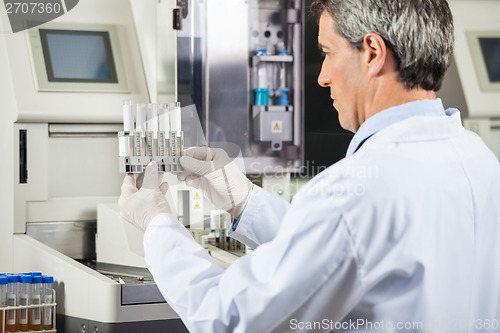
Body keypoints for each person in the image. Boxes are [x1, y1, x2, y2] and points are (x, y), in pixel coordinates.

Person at [119, 0, 500, 332]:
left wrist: (156, 224)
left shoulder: (356, 191)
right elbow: (350, 249)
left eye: (328, 53)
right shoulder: (477, 159)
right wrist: (245, 201)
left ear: (372, 52)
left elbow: (228, 318)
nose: (322, 76)